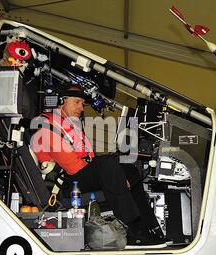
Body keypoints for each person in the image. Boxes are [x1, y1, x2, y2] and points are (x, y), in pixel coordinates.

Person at [31, 84, 165, 246]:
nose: (81, 107)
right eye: (77, 102)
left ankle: (150, 229)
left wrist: (120, 173)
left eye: (82, 103)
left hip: (80, 173)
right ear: (61, 102)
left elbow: (89, 158)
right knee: (108, 167)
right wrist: (115, 175)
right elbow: (74, 167)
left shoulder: (70, 124)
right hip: (65, 183)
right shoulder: (48, 127)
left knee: (128, 166)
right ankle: (129, 233)